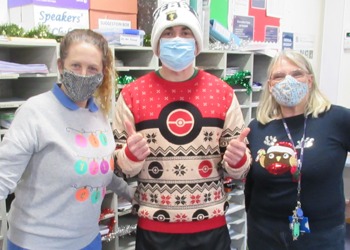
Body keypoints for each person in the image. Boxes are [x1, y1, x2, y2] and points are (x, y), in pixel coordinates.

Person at [112, 2, 251, 250]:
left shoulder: (222, 93)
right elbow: (119, 168)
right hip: (155, 231)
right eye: (168, 33)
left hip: (210, 229)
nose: (177, 39)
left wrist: (239, 160)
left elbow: (239, 170)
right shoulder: (132, 94)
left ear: (197, 44)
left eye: (185, 33)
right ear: (156, 44)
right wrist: (130, 156)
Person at [0, 29, 133, 250]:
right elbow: (3, 176)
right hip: (35, 243)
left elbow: (97, 169)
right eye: (75, 66)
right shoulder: (35, 112)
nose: (83, 74)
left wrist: (130, 193)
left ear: (102, 74)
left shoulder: (98, 115)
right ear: (61, 66)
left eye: (92, 69)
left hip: (87, 240)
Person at [245, 49, 350, 249]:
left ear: (310, 80)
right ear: (270, 86)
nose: (288, 81)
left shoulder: (337, 119)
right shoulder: (256, 128)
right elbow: (249, 183)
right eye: (279, 76)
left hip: (322, 233)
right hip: (265, 232)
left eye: (296, 74)